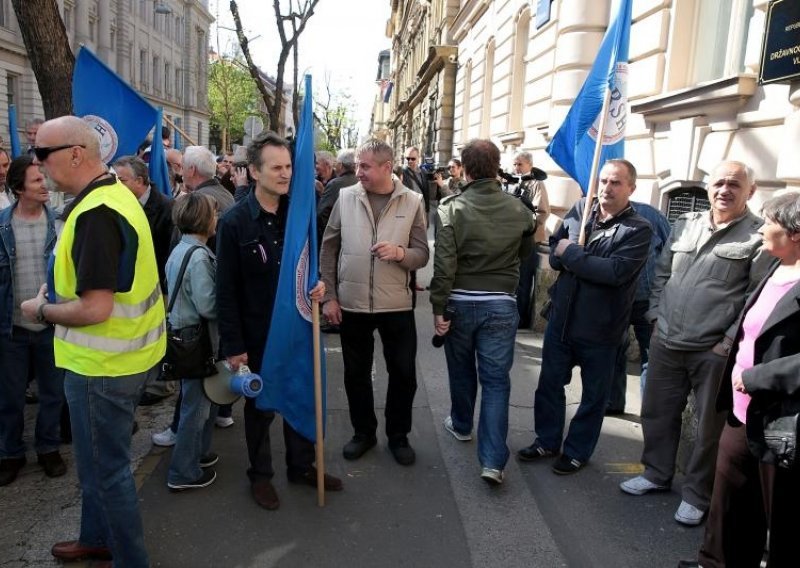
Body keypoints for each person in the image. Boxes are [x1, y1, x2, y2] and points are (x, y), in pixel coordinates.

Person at [20, 116, 165, 567]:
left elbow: (96, 309)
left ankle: (128, 559)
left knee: (108, 473)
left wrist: (40, 310)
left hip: (102, 369)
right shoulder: (113, 194)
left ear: (76, 154)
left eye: (42, 155)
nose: (37, 165)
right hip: (120, 361)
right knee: (99, 467)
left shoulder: (97, 212)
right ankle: (95, 537)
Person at [620, 161, 769, 527]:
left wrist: (728, 341)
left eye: (734, 184)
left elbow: (756, 296)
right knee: (656, 412)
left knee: (708, 428)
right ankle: (656, 474)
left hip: (712, 350)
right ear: (708, 188)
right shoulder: (686, 225)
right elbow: (662, 272)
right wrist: (655, 316)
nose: (724, 190)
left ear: (750, 190)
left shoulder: (757, 236)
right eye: (718, 183)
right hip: (668, 338)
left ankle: (697, 495)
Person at [216, 132, 342, 511]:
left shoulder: (299, 215)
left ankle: (301, 466)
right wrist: (234, 346)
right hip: (256, 333)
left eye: (289, 166)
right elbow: (226, 290)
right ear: (254, 172)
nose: (286, 174)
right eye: (276, 167)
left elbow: (310, 269)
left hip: (299, 326)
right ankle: (261, 475)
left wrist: (319, 288)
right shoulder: (235, 222)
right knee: (260, 408)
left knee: (301, 392)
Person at [678, 192, 800, 568]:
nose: (762, 228)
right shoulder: (775, 266)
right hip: (740, 413)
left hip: (781, 422)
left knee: (781, 520)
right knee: (728, 505)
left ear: (795, 233)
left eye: (770, 222)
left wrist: (759, 377)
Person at [518, 159, 652, 474]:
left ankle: (577, 451)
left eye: (616, 182)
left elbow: (614, 272)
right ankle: (547, 441)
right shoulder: (580, 208)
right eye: (603, 181)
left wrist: (572, 255)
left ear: (631, 187)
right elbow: (554, 250)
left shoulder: (638, 229)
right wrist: (567, 255)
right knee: (549, 385)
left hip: (601, 329)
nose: (606, 187)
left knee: (594, 397)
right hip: (562, 321)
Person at [430, 139, 534, 485]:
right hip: (501, 303)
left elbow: (445, 265)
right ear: (496, 165)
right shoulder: (520, 210)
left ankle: (461, 424)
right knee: (496, 381)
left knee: (461, 370)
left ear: (467, 168)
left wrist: (438, 307)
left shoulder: (451, 208)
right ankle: (492, 460)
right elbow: (525, 255)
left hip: (460, 301)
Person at [321, 139, 430, 466]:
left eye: (365, 166)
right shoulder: (345, 196)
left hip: (396, 306)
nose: (358, 172)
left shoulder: (413, 201)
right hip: (352, 304)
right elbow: (329, 247)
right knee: (355, 373)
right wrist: (329, 295)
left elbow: (422, 254)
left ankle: (398, 436)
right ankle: (363, 433)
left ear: (386, 167)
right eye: (357, 165)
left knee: (403, 374)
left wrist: (400, 254)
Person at [0, 155, 65, 487]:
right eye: (37, 180)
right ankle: (10, 454)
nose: (45, 185)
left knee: (53, 393)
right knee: (9, 397)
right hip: (10, 329)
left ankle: (48, 448)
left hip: (50, 326)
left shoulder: (59, 224)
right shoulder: (1, 226)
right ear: (17, 188)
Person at [164, 193, 220, 492]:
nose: (217, 218)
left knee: (197, 403)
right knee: (196, 408)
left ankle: (197, 454)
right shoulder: (198, 256)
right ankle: (183, 471)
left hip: (184, 334)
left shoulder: (182, 249)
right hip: (195, 339)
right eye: (214, 213)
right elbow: (208, 306)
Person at [113, 155, 176, 406]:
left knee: (160, 334)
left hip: (159, 284)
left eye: (121, 179)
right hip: (130, 286)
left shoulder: (166, 208)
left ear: (140, 181)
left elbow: (170, 251)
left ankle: (161, 383)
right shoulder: (117, 203)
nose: (115, 184)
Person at [606, 202, 672, 415]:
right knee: (614, 352)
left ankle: (649, 411)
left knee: (651, 357)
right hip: (616, 297)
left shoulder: (651, 215)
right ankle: (613, 402)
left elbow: (670, 249)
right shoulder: (598, 214)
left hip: (648, 298)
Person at [511, 151, 550, 329]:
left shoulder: (536, 184)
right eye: (515, 164)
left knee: (524, 281)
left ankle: (521, 320)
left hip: (529, 240)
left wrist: (527, 226)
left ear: (529, 165)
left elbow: (542, 212)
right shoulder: (513, 182)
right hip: (512, 240)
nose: (516, 168)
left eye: (520, 164)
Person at [317, 148, 356, 243]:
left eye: (317, 164)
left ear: (341, 165)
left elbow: (321, 214)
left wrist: (329, 238)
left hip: (336, 240)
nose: (315, 168)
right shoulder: (361, 181)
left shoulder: (335, 184)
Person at [401, 145, 430, 219]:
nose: (410, 161)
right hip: (408, 215)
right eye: (407, 158)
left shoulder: (423, 173)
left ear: (418, 159)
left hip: (422, 213)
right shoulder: (401, 173)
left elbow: (426, 194)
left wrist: (427, 212)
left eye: (413, 158)